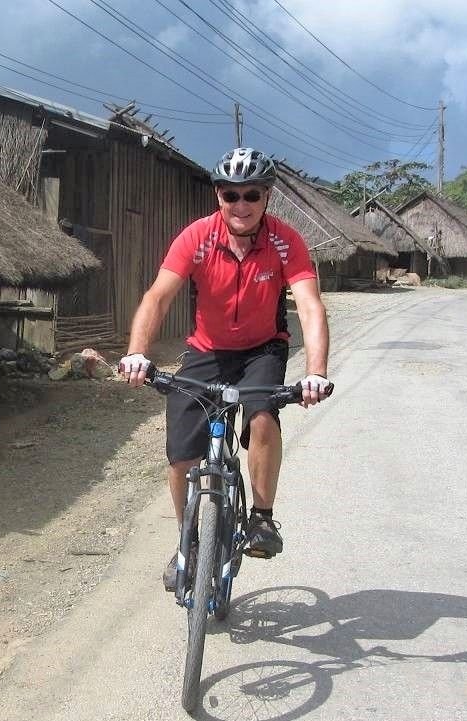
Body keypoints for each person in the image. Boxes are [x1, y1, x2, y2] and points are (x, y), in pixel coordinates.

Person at [115, 147, 334, 591]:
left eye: (251, 194)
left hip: (262, 350)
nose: (240, 204)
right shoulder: (197, 237)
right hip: (206, 350)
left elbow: (310, 307)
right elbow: (158, 296)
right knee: (180, 456)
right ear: (218, 195)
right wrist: (137, 351)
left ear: (266, 196)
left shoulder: (285, 241)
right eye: (230, 194)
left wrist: (316, 371)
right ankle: (188, 543)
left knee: (261, 415)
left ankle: (262, 518)